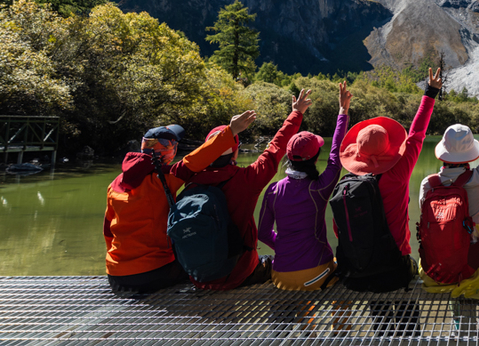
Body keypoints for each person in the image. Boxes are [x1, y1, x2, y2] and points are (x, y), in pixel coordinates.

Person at [330, 68, 442, 337]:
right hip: (396, 268)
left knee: (381, 327)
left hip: (363, 269)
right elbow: (416, 135)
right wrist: (430, 93)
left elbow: (339, 228)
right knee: (408, 328)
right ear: (390, 147)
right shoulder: (397, 174)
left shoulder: (348, 182)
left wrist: (343, 113)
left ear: (357, 152)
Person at [103, 111, 256, 295]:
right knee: (203, 268)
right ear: (170, 151)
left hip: (115, 276)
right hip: (152, 273)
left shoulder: (115, 184)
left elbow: (107, 231)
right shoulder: (165, 179)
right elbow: (197, 159)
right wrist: (230, 131)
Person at [187, 88, 312, 290]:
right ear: (235, 153)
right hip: (238, 272)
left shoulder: (188, 180)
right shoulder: (246, 180)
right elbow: (275, 147)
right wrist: (296, 113)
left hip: (197, 274)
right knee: (280, 265)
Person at [417, 80, 479, 304]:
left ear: (442, 154)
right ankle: (468, 327)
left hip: (434, 269)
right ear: (471, 154)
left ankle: (459, 327)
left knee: (449, 265)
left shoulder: (427, 184)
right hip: (472, 267)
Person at [258, 82, 351, 291]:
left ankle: (301, 321)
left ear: (289, 157)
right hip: (317, 273)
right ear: (316, 158)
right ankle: (341, 323)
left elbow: (263, 233)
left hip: (280, 276)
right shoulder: (319, 188)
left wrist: (283, 247)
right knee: (342, 282)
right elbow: (335, 156)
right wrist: (343, 111)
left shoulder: (273, 191)